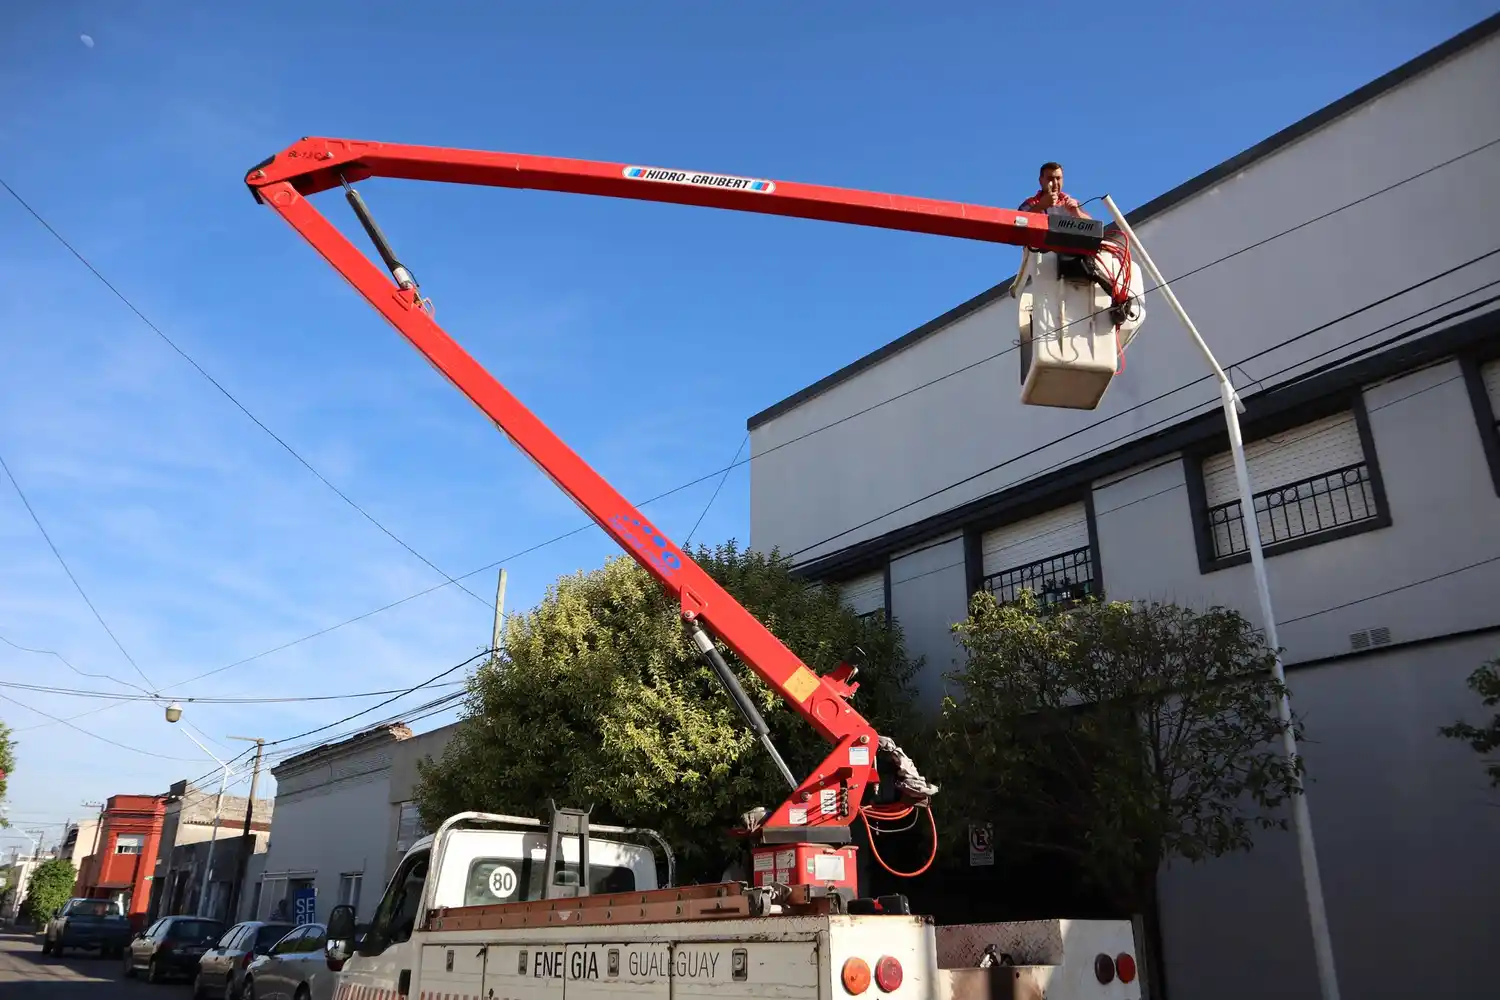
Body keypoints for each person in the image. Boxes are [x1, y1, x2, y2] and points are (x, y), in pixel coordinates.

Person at [1019, 161, 1091, 219]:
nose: (1055, 183)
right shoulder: (1030, 203)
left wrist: (1077, 212)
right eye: (1050, 178)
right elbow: (1018, 224)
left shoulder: (1073, 203)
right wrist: (1040, 206)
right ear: (1041, 181)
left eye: (1058, 178)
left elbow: (1094, 228)